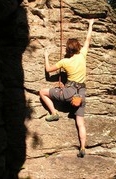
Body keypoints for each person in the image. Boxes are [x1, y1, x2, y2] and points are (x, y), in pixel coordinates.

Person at [39, 19, 94, 158]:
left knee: (42, 92)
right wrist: (91, 24)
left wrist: (46, 56)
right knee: (80, 122)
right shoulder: (83, 56)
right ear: (78, 48)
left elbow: (48, 69)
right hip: (81, 94)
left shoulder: (65, 61)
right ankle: (82, 147)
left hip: (68, 92)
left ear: (68, 50)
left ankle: (54, 113)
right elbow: (88, 39)